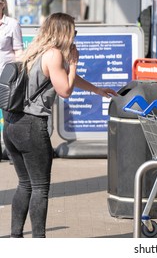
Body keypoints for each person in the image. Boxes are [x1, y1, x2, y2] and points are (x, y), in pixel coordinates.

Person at [4, 12, 118, 238]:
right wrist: (74, 63)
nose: (75, 36)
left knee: (24, 184)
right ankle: (39, 241)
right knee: (39, 188)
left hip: (12, 125)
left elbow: (61, 77)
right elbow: (65, 90)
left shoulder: (34, 51)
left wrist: (96, 90)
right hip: (31, 127)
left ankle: (15, 238)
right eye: (74, 31)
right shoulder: (54, 55)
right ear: (64, 32)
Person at [0, 0, 24, 164]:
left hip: (5, 80)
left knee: (9, 118)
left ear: (2, 4)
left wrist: (18, 77)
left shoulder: (12, 24)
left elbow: (19, 53)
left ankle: (12, 153)